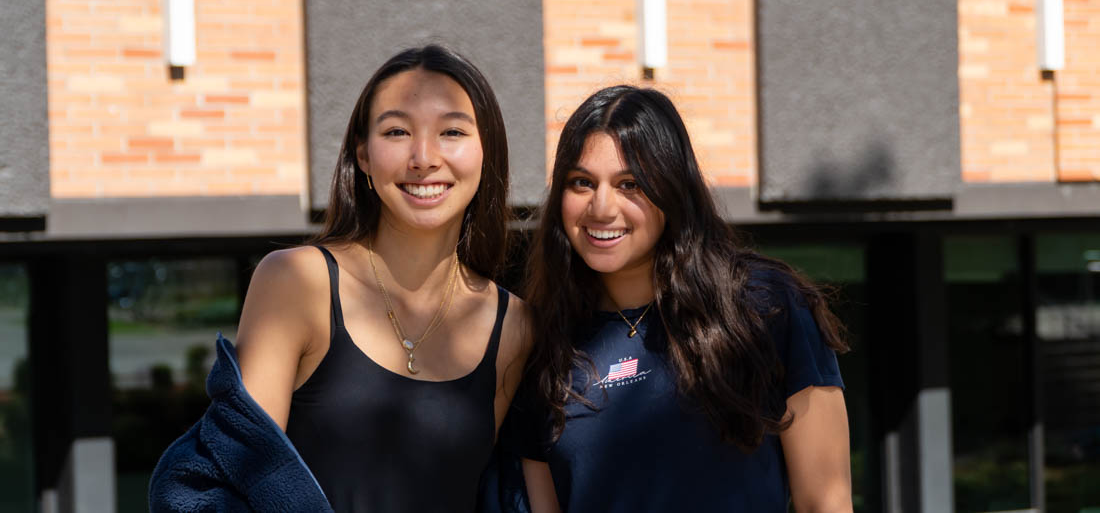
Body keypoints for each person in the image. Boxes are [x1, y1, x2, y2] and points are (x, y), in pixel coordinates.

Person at [150, 45, 529, 512]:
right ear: (364, 156)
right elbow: (233, 474)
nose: (424, 157)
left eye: (452, 131)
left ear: (486, 152)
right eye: (397, 131)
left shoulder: (514, 325)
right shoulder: (296, 280)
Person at [506, 85, 851, 512]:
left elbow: (826, 501)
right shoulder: (545, 347)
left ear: (671, 189)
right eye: (581, 182)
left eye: (629, 183)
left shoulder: (765, 307)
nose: (601, 207)